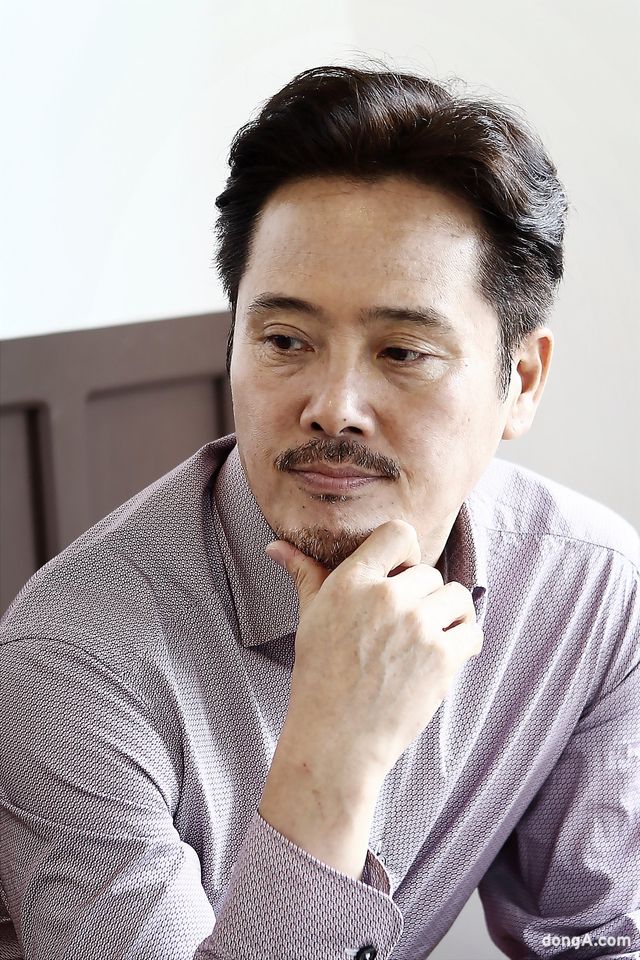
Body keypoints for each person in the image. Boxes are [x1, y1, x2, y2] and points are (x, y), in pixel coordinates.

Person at [0, 64, 638, 960]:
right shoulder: (72, 661)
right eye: (285, 340)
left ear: (521, 381)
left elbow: (596, 939)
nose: (333, 407)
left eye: (403, 351)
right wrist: (332, 757)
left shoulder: (589, 584)